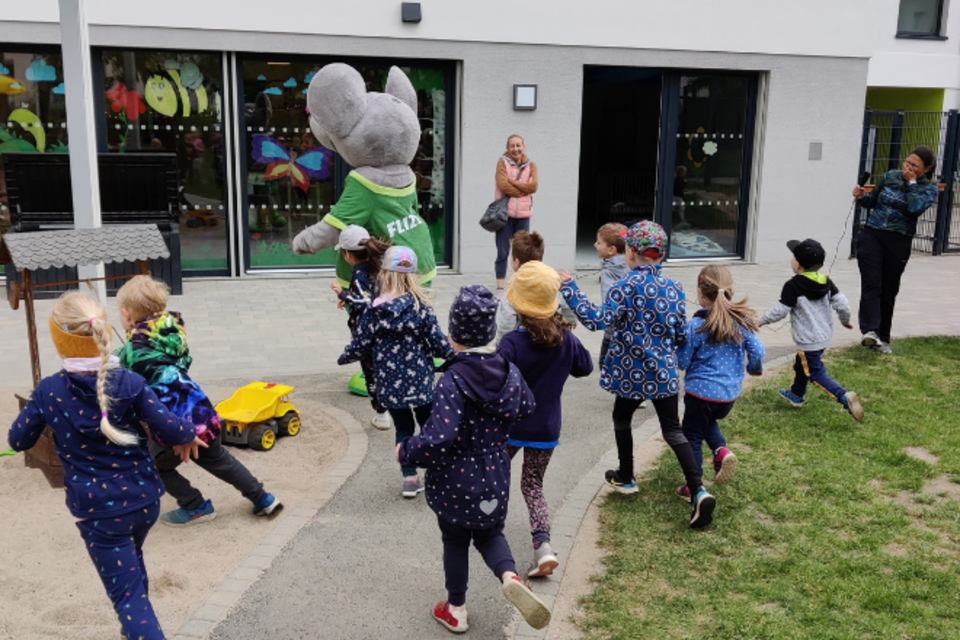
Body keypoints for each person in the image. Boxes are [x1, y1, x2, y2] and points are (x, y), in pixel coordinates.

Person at [8, 292, 201, 640]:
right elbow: (172, 427)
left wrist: (43, 416)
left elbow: (18, 439)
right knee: (131, 563)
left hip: (98, 511)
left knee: (126, 596)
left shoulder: (49, 391)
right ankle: (135, 630)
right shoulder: (130, 381)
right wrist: (189, 432)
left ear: (59, 340)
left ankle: (140, 629)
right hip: (144, 500)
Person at [397, 285, 551, 634]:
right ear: (492, 331)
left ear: (454, 335)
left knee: (455, 540)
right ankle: (510, 575)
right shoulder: (509, 371)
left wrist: (406, 450)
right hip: (495, 471)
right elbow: (527, 406)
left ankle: (456, 609)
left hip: (455, 476)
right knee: (489, 533)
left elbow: (439, 438)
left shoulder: (452, 380)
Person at [561, 220, 716, 530]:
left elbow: (596, 320)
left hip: (631, 372)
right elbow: (680, 334)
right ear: (660, 254)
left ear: (630, 252)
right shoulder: (673, 288)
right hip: (664, 372)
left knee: (622, 418)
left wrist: (570, 289)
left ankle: (627, 476)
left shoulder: (626, 286)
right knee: (674, 430)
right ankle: (698, 489)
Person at [116, 275, 282, 525]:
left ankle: (195, 505)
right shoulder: (172, 333)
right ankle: (263, 498)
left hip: (174, 423)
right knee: (220, 461)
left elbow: (125, 379)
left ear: (127, 314)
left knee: (148, 465)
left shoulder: (132, 351)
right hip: (201, 411)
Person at [497, 262, 593, 577]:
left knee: (496, 474)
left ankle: (487, 527)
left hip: (509, 427)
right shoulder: (566, 340)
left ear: (518, 304)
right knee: (533, 485)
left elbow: (494, 382)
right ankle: (543, 547)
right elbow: (585, 368)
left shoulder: (511, 343)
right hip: (546, 429)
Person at [338, 246, 454, 498]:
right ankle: (437, 471)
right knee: (428, 424)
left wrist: (345, 356)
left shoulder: (374, 310)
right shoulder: (421, 308)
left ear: (385, 275)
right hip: (421, 383)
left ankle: (410, 478)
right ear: (412, 277)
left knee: (403, 428)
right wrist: (454, 358)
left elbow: (361, 342)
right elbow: (438, 342)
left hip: (390, 385)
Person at [675, 265, 765, 503]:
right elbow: (758, 349)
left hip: (699, 393)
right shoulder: (741, 322)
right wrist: (754, 368)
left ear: (700, 292)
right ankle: (721, 451)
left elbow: (683, 361)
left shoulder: (696, 326)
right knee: (709, 420)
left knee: (692, 435)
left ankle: (693, 485)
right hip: (728, 395)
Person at [759, 239, 864, 421]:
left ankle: (843, 396)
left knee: (815, 373)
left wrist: (761, 321)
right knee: (801, 365)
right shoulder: (826, 281)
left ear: (797, 264)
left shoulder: (793, 285)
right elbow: (843, 305)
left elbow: (780, 311)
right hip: (824, 337)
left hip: (808, 341)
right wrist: (845, 321)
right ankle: (797, 395)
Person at [853, 146, 939, 354]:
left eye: (914, 165)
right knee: (872, 283)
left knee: (889, 289)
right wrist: (862, 197)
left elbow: (914, 209)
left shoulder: (928, 189)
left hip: (898, 240)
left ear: (926, 169)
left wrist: (910, 184)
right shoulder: (890, 176)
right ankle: (870, 331)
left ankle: (883, 337)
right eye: (907, 162)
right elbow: (872, 202)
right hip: (872, 233)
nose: (908, 167)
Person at [329, 224, 394, 430]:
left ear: (348, 255)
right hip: (385, 328)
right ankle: (394, 405)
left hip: (367, 333)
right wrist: (349, 297)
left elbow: (364, 301)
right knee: (385, 369)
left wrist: (342, 293)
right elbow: (371, 293)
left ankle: (382, 414)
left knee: (371, 373)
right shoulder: (377, 267)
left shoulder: (359, 273)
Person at [494, 230, 577, 343]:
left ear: (517, 262)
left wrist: (502, 346)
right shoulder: (551, 280)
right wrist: (567, 331)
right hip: (552, 339)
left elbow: (507, 325)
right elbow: (569, 305)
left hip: (523, 345)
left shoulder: (513, 289)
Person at [494, 134, 539, 296]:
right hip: (504, 215)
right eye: (512, 146)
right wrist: (522, 190)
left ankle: (521, 286)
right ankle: (500, 287)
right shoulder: (502, 162)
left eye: (518, 145)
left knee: (523, 252)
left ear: (524, 147)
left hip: (523, 216)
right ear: (508, 148)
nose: (515, 149)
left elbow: (533, 186)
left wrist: (513, 183)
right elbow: (502, 185)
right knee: (503, 252)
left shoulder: (531, 165)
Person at [594, 222, 630, 364]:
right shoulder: (634, 265)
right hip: (633, 334)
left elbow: (608, 303)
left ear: (611, 250)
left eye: (599, 242)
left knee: (606, 367)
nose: (595, 245)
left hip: (613, 335)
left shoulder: (609, 272)